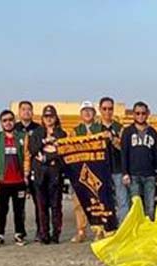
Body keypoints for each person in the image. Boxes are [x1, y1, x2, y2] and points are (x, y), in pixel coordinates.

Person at [0, 109, 30, 246]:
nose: (8, 123)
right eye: (4, 120)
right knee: (1, 210)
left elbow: (26, 157)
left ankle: (19, 234)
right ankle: (0, 234)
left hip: (18, 181)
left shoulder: (22, 137)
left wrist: (26, 174)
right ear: (1, 122)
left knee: (19, 210)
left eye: (10, 120)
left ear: (14, 120)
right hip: (3, 181)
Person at [29, 105, 67, 244]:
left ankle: (56, 234)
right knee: (41, 205)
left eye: (51, 116)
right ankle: (44, 234)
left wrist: (47, 157)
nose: (49, 119)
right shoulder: (37, 133)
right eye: (46, 116)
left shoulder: (62, 134)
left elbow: (62, 153)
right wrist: (45, 141)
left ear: (56, 118)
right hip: (40, 173)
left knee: (56, 205)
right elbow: (33, 149)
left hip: (55, 172)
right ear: (42, 118)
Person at [121, 102, 157, 219]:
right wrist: (125, 173)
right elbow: (124, 153)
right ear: (133, 115)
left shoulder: (153, 132)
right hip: (133, 175)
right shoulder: (127, 132)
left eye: (143, 113)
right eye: (137, 113)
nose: (140, 116)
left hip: (150, 175)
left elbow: (156, 154)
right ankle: (136, 232)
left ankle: (148, 231)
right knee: (136, 207)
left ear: (147, 114)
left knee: (150, 207)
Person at [69, 100, 100, 243]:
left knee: (97, 201)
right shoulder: (75, 131)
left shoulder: (99, 129)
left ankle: (99, 230)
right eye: (84, 111)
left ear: (94, 113)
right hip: (79, 170)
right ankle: (81, 231)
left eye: (90, 110)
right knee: (79, 202)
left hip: (96, 170)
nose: (87, 113)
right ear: (81, 114)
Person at [98, 97, 129, 223]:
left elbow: (124, 148)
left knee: (122, 200)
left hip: (117, 168)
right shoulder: (95, 128)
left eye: (110, 109)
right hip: (100, 169)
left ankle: (123, 227)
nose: (107, 112)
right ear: (100, 110)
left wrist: (113, 139)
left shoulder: (120, 128)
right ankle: (107, 227)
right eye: (104, 109)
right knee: (103, 201)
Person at [14, 101, 41, 241]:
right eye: (24, 109)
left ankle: (40, 231)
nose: (27, 112)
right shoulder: (14, 128)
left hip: (36, 170)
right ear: (19, 112)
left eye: (29, 109)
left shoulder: (38, 128)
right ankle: (20, 232)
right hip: (18, 171)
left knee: (39, 202)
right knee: (19, 204)